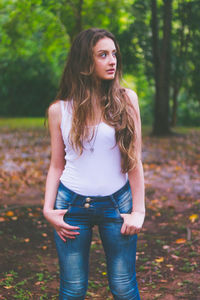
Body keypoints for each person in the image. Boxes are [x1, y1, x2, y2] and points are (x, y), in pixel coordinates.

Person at [43, 28, 145, 300]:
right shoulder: (59, 110)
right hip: (72, 205)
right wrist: (47, 209)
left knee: (124, 287)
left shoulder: (127, 100)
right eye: (103, 55)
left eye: (114, 54)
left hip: (118, 204)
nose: (112, 61)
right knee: (73, 289)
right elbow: (56, 165)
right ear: (85, 62)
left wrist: (139, 211)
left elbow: (135, 162)